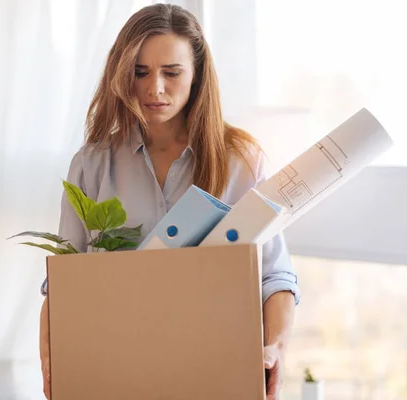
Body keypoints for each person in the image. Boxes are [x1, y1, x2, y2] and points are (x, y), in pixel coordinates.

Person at [39, 3, 300, 399]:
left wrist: (275, 348)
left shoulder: (241, 162)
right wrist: (52, 363)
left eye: (171, 73)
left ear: (196, 75)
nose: (154, 88)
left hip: (214, 372)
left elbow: (274, 277)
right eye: (139, 72)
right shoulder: (91, 165)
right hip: (112, 372)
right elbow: (62, 284)